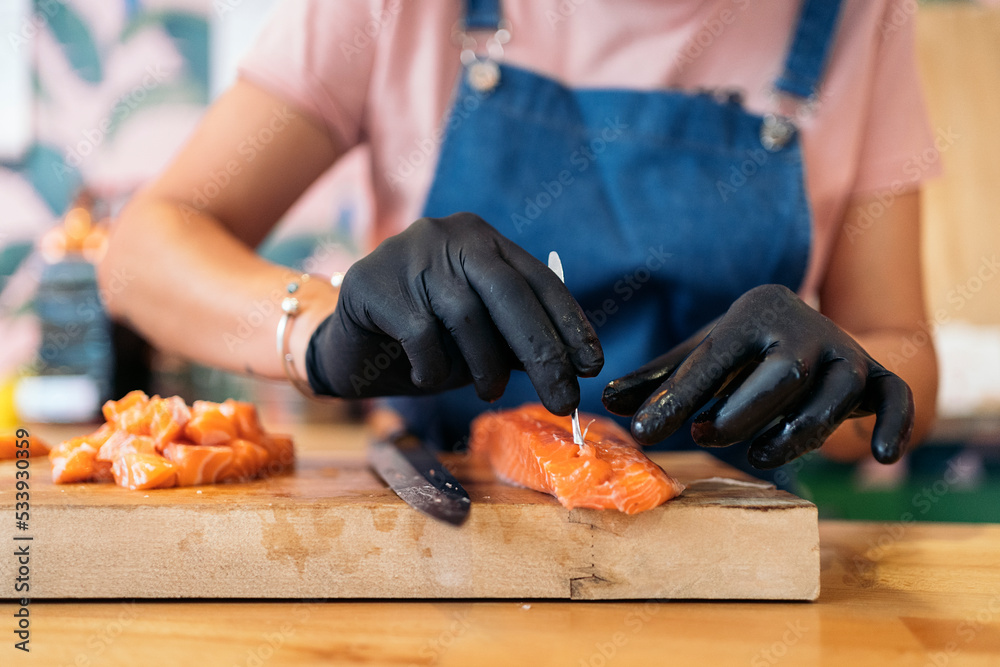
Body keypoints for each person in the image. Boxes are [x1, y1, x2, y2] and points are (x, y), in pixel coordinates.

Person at [98, 0, 939, 480]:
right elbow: (143, 248)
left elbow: (908, 359)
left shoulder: (862, 18)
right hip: (439, 519)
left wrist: (842, 374)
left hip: (735, 553)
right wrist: (324, 332)